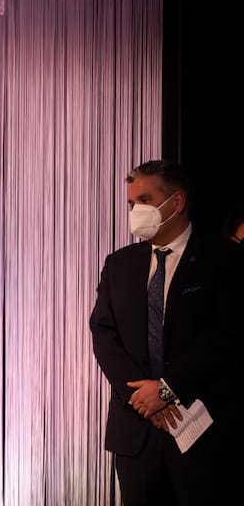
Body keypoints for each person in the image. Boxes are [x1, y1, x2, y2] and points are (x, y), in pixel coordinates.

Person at [90, 159, 241, 505]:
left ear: (177, 202)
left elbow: (226, 334)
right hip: (136, 434)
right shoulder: (119, 264)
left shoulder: (223, 258)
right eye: (131, 203)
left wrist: (168, 390)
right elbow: (103, 333)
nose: (135, 211)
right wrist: (143, 398)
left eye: (144, 200)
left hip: (203, 433)